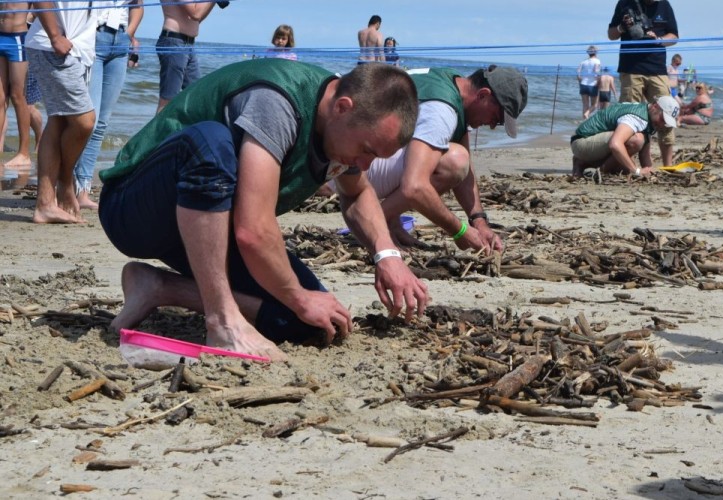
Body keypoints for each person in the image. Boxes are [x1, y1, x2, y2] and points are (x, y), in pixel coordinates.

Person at [97, 60, 429, 362]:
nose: (364, 165)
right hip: (134, 209)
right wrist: (297, 296)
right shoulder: (277, 103)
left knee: (312, 323)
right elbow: (253, 230)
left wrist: (387, 255)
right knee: (211, 144)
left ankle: (159, 287)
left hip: (207, 232)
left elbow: (357, 194)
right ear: (342, 108)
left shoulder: (343, 132)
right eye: (366, 150)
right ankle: (222, 320)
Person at [323, 66, 527, 254]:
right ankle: (373, 225)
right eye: (497, 117)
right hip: (347, 166)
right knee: (453, 162)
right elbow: (414, 187)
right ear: (483, 95)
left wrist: (479, 222)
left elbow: (466, 174)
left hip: (344, 155)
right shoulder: (442, 111)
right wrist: (459, 231)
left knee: (456, 158)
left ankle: (388, 221)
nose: (492, 125)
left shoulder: (451, 83)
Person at [25, 1, 97, 224]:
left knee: (58, 121)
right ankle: (65, 183)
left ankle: (45, 204)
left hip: (79, 50)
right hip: (51, 46)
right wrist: (55, 36)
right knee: (85, 121)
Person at [73, 0, 143, 211]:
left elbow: (138, 5)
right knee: (88, 121)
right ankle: (67, 185)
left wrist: (129, 33)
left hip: (120, 41)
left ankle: (82, 190)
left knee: (101, 123)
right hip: (93, 35)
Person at [608, 0, 679, 167]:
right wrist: (622, 28)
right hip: (630, 69)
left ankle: (668, 166)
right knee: (629, 119)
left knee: (667, 117)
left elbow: (674, 36)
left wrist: (659, 40)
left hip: (657, 69)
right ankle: (630, 165)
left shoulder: (664, 5)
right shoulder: (625, 3)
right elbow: (611, 35)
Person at [570, 95, 680, 178]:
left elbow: (645, 154)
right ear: (655, 106)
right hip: (582, 142)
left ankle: (582, 163)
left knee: (625, 166)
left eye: (666, 123)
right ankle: (602, 171)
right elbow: (615, 144)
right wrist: (636, 171)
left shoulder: (646, 114)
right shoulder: (637, 118)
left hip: (591, 143)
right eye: (662, 119)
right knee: (636, 140)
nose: (662, 125)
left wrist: (649, 171)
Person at [156, 0, 222, 112]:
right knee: (168, 100)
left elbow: (197, 18)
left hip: (188, 45)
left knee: (196, 95)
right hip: (174, 43)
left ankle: (182, 129)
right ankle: (157, 129)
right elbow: (195, 13)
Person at [0, 2, 32, 169]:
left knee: (18, 96)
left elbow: (45, 9)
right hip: (0, 35)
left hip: (18, 37)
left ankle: (24, 153)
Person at [577, 45, 601, 118]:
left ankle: (584, 121)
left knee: (585, 104)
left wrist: (580, 81)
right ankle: (587, 113)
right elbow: (596, 72)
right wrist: (598, 82)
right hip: (593, 84)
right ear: (596, 52)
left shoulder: (583, 62)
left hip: (583, 84)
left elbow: (578, 73)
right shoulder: (597, 61)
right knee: (594, 105)